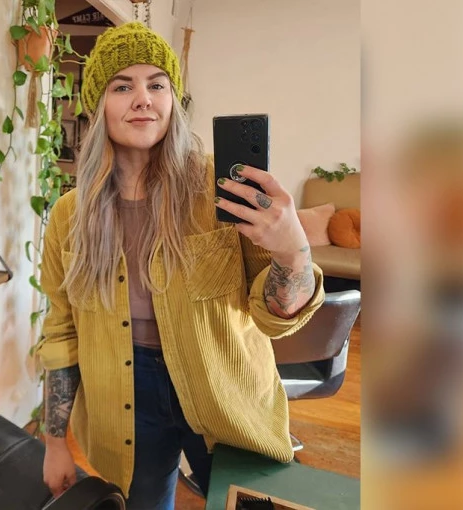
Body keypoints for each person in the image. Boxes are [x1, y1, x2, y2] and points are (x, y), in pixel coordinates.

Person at [36, 22, 325, 509]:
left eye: (157, 84)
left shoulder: (222, 187)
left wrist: (292, 251)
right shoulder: (69, 216)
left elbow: (275, 318)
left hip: (225, 391)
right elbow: (62, 330)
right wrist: (54, 442)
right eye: (122, 86)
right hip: (123, 398)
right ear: (97, 105)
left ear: (172, 99)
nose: (143, 99)